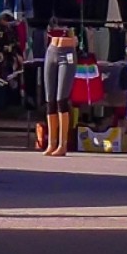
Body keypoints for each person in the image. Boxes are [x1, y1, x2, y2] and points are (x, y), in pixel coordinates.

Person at [42, 26, 78, 157]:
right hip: (52, 50)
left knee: (61, 99)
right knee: (49, 100)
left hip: (67, 52)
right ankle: (52, 143)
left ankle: (62, 144)